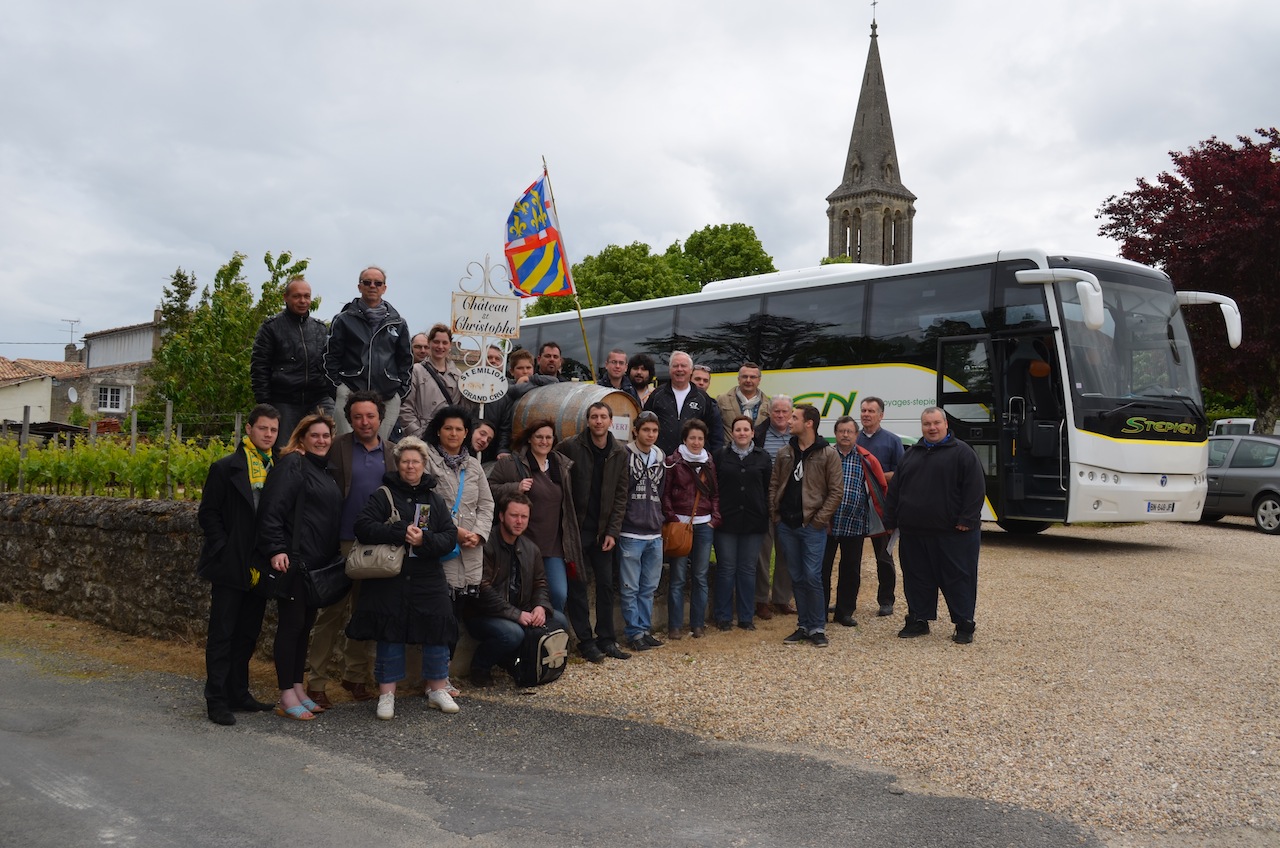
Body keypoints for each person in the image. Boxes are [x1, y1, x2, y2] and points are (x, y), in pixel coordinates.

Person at [345, 436, 461, 719]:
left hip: (427, 574)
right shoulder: (383, 494)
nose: (411, 466)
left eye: (416, 461)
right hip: (391, 576)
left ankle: (437, 688)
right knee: (390, 630)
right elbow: (362, 526)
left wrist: (425, 539)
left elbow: (448, 537)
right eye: (406, 461)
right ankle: (387, 694)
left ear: (424, 465)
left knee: (437, 628)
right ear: (398, 464)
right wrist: (399, 532)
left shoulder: (435, 499)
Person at [305, 390, 395, 708]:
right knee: (330, 613)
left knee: (364, 614)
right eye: (357, 416)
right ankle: (315, 682)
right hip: (340, 543)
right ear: (350, 418)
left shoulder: (392, 453)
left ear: (380, 418)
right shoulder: (337, 447)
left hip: (377, 545)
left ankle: (355, 677)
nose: (364, 422)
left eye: (370, 416)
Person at [196, 404, 281, 726]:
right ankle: (216, 699)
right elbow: (208, 513)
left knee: (247, 633)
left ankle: (238, 692)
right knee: (223, 634)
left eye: (273, 430)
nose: (268, 435)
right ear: (249, 429)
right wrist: (223, 547)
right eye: (263, 429)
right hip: (231, 563)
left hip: (260, 564)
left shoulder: (276, 469)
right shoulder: (225, 468)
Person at [255, 413, 343, 720]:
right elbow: (272, 509)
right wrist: (275, 548)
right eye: (315, 435)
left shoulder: (325, 470)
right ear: (302, 438)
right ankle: (285, 695)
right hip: (294, 562)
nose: (321, 440)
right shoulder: (293, 464)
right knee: (291, 627)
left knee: (304, 627)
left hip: (316, 565)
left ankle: (297, 686)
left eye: (326, 436)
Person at [884, 407, 985, 644]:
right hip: (914, 534)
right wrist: (890, 519)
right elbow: (895, 490)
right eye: (927, 424)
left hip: (953, 534)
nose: (932, 428)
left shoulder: (963, 453)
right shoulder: (912, 455)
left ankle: (963, 624)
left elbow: (975, 488)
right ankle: (919, 619)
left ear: (946, 424)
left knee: (959, 579)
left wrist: (967, 519)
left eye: (936, 423)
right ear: (922, 427)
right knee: (917, 578)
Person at [464, 493, 570, 687]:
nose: (519, 521)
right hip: (483, 614)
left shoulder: (531, 548)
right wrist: (516, 614)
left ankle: (525, 662)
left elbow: (540, 583)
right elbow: (481, 588)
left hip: (521, 610)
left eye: (524, 517)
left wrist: (540, 606)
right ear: (502, 516)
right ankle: (481, 666)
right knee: (512, 634)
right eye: (514, 515)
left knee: (560, 620)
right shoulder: (486, 544)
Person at [555, 402, 632, 662]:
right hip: (576, 530)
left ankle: (607, 638)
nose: (598, 421)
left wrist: (613, 531)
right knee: (577, 585)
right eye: (594, 417)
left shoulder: (620, 452)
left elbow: (622, 495)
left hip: (602, 532)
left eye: (603, 417)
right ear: (587, 421)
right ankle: (585, 641)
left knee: (606, 585)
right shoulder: (570, 446)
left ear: (611, 421)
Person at [486, 420, 583, 616]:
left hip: (553, 545)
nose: (544, 441)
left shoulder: (560, 464)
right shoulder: (511, 463)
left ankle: (548, 636)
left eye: (548, 437)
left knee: (558, 594)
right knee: (525, 596)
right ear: (530, 439)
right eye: (539, 437)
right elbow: (488, 489)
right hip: (523, 543)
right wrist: (515, 487)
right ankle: (530, 638)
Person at [768, 403, 843, 648]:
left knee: (812, 576)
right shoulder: (785, 452)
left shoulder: (827, 454)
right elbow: (775, 484)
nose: (789, 421)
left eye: (794, 418)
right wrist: (776, 515)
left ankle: (818, 627)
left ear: (809, 423)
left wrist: (819, 521)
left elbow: (836, 491)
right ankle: (803, 625)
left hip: (812, 526)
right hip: (787, 525)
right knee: (797, 577)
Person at [323, 265, 413, 440]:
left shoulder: (398, 323)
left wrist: (400, 392)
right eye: (367, 282)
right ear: (359, 286)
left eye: (378, 283)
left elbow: (406, 361)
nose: (373, 286)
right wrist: (338, 388)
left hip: (386, 395)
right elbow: (330, 357)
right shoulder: (343, 320)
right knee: (346, 447)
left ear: (384, 288)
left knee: (378, 448)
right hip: (350, 391)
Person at [250, 276, 335, 443]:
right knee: (284, 451)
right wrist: (265, 405)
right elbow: (259, 367)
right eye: (297, 296)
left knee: (327, 444)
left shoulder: (320, 329)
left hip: (318, 398)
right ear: (286, 297)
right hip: (284, 400)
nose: (303, 301)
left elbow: (330, 364)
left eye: (307, 296)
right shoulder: (271, 328)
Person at [821, 416, 888, 628]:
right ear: (836, 433)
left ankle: (844, 611)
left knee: (851, 570)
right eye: (841, 431)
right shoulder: (825, 456)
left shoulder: (866, 458)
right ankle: (819, 611)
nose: (845, 435)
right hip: (826, 524)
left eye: (850, 431)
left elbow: (880, 487)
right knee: (821, 569)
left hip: (855, 523)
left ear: (856, 435)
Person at [422, 405, 494, 599]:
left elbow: (487, 504)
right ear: (438, 431)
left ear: (466, 433)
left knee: (463, 609)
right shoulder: (425, 461)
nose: (453, 433)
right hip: (439, 546)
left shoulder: (474, 465)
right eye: (448, 428)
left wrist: (479, 533)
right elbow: (422, 506)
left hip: (471, 547)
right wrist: (453, 532)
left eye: (459, 429)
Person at [712, 415, 772, 631]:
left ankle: (746, 617)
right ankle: (723, 616)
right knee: (726, 569)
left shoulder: (763, 457)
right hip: (726, 521)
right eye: (738, 430)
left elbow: (767, 489)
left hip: (754, 521)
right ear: (732, 432)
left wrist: (765, 510)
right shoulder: (720, 455)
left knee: (747, 569)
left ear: (752, 432)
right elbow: (713, 487)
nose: (742, 433)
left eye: (746, 429)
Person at [662, 419, 720, 640]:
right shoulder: (673, 461)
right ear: (684, 439)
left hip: (704, 525)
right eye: (692, 438)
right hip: (680, 525)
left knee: (700, 576)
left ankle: (698, 624)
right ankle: (674, 626)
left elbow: (715, 493)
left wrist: (714, 519)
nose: (696, 442)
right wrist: (672, 517)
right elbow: (665, 493)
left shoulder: (709, 461)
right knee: (677, 577)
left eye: (700, 438)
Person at [617, 410, 667, 652]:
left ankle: (645, 629)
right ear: (636, 430)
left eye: (654, 430)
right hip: (631, 532)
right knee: (630, 587)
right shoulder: (625, 454)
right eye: (646, 430)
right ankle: (634, 632)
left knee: (649, 587)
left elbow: (662, 490)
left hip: (654, 531)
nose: (650, 434)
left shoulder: (660, 456)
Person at [857, 396, 906, 617]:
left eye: (871, 411)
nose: (866, 414)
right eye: (863, 410)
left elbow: (901, 473)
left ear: (881, 415)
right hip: (855, 506)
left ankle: (886, 600)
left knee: (884, 556)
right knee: (850, 556)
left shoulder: (892, 441)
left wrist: (875, 476)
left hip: (880, 507)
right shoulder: (851, 437)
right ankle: (846, 601)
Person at [753, 395, 796, 620]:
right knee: (762, 552)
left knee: (787, 551)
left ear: (791, 414)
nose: (780, 415)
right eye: (776, 411)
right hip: (763, 500)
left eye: (785, 412)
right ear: (769, 412)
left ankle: (781, 598)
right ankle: (760, 600)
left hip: (789, 502)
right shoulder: (757, 434)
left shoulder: (798, 436)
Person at [399, 323, 472, 439]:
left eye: (444, 343)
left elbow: (463, 410)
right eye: (436, 342)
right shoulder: (416, 371)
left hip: (448, 437)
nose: (440, 346)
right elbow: (405, 408)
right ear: (430, 343)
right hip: (422, 436)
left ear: (450, 345)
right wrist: (418, 435)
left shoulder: (458, 375)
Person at [644, 350, 723, 456]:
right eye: (675, 366)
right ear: (670, 369)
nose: (679, 369)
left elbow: (714, 432)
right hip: (660, 458)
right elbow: (644, 425)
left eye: (683, 366)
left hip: (693, 462)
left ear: (691, 370)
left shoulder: (703, 398)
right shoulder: (657, 395)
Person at [715, 362, 770, 444]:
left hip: (757, 453)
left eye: (752, 377)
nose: (748, 380)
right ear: (738, 379)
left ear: (759, 380)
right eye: (744, 376)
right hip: (728, 453)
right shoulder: (722, 400)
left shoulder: (768, 404)